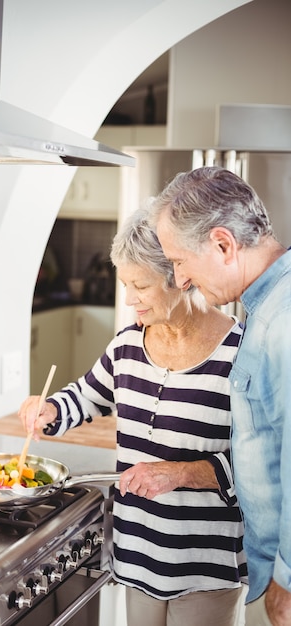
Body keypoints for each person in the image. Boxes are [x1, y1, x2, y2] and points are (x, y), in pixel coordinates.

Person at [19, 206, 247, 626]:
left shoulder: (240, 353)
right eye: (126, 284)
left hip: (203, 564)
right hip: (137, 554)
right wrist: (49, 409)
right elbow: (86, 397)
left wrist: (177, 474)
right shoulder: (127, 346)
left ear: (180, 275)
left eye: (140, 285)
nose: (129, 299)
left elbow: (260, 466)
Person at [149, 165, 291, 626]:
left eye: (180, 261)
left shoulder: (282, 324)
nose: (181, 279)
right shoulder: (266, 309)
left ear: (223, 245)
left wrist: (287, 582)